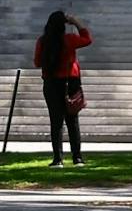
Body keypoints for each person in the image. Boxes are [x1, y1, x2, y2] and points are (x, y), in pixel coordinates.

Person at [34, 10, 91, 167]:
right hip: (70, 81)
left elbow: (37, 62)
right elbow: (87, 39)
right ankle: (77, 157)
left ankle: (58, 158)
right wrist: (76, 22)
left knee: (56, 121)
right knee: (72, 120)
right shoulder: (69, 40)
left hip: (52, 83)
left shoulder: (42, 41)